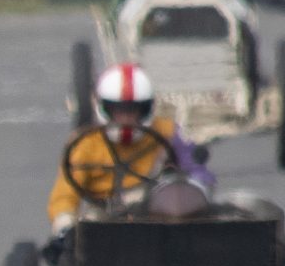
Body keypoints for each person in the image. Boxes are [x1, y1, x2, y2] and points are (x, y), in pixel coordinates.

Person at [46, 63, 209, 242]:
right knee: (87, 227)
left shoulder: (168, 131)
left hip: (158, 215)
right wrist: (64, 225)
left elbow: (197, 172)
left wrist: (190, 193)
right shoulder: (85, 143)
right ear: (105, 108)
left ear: (145, 109)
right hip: (104, 217)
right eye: (119, 111)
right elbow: (65, 195)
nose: (126, 119)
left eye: (132, 111)